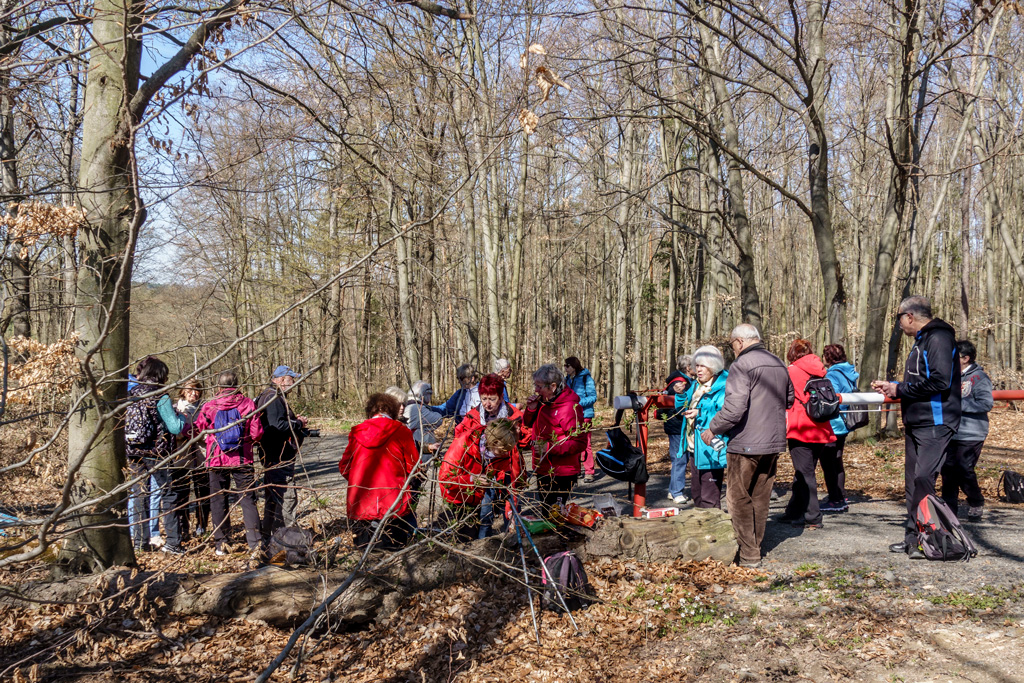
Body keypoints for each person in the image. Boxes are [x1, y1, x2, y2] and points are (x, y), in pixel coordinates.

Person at [873, 296, 961, 560]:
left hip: (936, 422)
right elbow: (920, 381)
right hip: (916, 422)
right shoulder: (921, 341)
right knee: (913, 482)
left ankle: (932, 539)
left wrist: (900, 389)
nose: (899, 325)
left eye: (899, 319)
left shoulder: (938, 338)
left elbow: (940, 381)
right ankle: (914, 539)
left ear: (909, 316)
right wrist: (895, 388)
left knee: (924, 479)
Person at [705, 324, 794, 568]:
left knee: (737, 498)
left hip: (745, 441)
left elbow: (734, 409)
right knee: (760, 497)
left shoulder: (742, 365)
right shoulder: (778, 362)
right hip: (773, 441)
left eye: (733, 345)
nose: (733, 350)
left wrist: (713, 428)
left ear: (740, 342)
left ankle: (748, 554)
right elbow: (789, 399)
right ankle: (755, 547)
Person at [193, 370, 265, 556]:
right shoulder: (248, 404)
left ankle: (221, 545)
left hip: (216, 460)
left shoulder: (209, 406)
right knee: (248, 500)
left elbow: (200, 428)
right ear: (237, 386)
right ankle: (255, 544)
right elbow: (257, 433)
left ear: (219, 387)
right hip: (242, 459)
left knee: (218, 501)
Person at [124, 356, 188, 554]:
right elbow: (175, 428)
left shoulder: (131, 393)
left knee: (139, 494)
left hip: (134, 451)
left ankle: (139, 542)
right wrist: (182, 414)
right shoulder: (160, 396)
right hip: (156, 453)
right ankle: (173, 543)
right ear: (160, 375)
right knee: (168, 494)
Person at [339, 393, 419, 549]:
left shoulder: (357, 432)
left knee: (364, 556)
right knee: (393, 555)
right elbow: (414, 466)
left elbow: (344, 466)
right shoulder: (401, 431)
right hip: (394, 502)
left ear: (371, 411)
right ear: (393, 411)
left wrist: (358, 479)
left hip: (361, 502)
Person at [455, 374, 525, 537]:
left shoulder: (513, 416)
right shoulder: (473, 416)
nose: (487, 403)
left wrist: (518, 434)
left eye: (492, 399)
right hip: (483, 471)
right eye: (484, 398)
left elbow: (527, 440)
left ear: (501, 397)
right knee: (484, 513)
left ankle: (513, 542)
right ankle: (483, 547)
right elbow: (459, 437)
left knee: (512, 511)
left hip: (508, 471)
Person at [780, 339, 836, 529]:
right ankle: (793, 512)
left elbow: (783, 397)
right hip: (820, 427)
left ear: (792, 353)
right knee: (803, 471)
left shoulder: (791, 371)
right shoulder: (820, 369)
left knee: (805, 473)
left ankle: (813, 516)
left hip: (800, 428)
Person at [523, 364, 587, 511]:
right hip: (543, 468)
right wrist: (531, 409)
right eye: (535, 385)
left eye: (539, 386)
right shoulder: (543, 402)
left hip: (561, 472)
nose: (536, 390)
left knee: (556, 515)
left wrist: (550, 448)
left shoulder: (569, 408)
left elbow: (580, 443)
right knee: (547, 513)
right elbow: (527, 424)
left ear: (553, 386)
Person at [941, 340, 992, 521]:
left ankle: (976, 501)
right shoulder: (950, 376)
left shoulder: (979, 378)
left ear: (965, 358)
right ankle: (948, 507)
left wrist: (958, 404)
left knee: (964, 468)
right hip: (950, 431)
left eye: (955, 356)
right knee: (947, 469)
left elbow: (986, 403)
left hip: (972, 432)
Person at [256, 366, 308, 541]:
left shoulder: (270, 396)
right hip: (278, 455)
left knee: (274, 496)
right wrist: (298, 423)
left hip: (274, 455)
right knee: (285, 496)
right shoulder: (273, 397)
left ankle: (271, 536)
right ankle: (284, 538)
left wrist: (293, 421)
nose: (293, 383)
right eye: (290, 379)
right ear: (279, 380)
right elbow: (277, 426)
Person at [677, 346, 728, 508]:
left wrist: (699, 413)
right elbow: (682, 407)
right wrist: (679, 394)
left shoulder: (725, 385)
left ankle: (714, 531)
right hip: (694, 446)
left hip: (711, 446)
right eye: (696, 365)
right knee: (697, 494)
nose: (698, 370)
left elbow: (725, 413)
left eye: (703, 366)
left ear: (714, 365)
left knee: (709, 496)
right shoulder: (695, 385)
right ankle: (700, 529)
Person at [822, 344, 858, 512]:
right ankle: (840, 494)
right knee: (837, 460)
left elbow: (830, 398)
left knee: (830, 462)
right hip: (844, 422)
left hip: (833, 423)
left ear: (828, 358)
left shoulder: (832, 374)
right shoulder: (848, 371)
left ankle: (835, 500)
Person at [176, 380, 208, 537]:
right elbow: (173, 432)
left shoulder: (206, 409)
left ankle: (201, 526)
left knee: (203, 493)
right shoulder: (176, 409)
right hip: (181, 458)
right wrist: (184, 433)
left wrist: (201, 435)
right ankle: (183, 528)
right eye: (190, 390)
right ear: (183, 391)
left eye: (197, 390)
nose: (194, 393)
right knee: (182, 495)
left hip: (202, 456)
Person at [662, 356, 693, 503]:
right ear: (688, 367)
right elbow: (679, 407)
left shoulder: (685, 381)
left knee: (681, 458)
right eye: (695, 365)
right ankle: (676, 492)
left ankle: (673, 490)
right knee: (679, 459)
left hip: (679, 425)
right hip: (677, 426)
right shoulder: (681, 383)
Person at [564, 357, 598, 483]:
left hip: (585, 415)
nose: (565, 368)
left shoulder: (586, 378)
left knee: (586, 443)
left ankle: (589, 472)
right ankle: (576, 470)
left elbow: (593, 397)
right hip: (571, 416)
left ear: (574, 366)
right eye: (565, 366)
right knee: (573, 442)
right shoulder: (566, 380)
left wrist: (577, 403)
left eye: (567, 366)